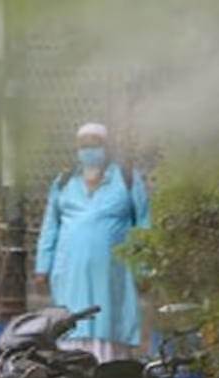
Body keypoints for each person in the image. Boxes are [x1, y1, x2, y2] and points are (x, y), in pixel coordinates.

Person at [35, 122, 151, 363]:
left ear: (107, 147)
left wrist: (144, 268)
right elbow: (50, 226)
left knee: (109, 324)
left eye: (95, 144)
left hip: (113, 273)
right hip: (70, 272)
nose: (89, 150)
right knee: (71, 324)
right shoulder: (64, 181)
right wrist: (42, 267)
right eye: (84, 145)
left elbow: (144, 223)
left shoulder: (127, 179)